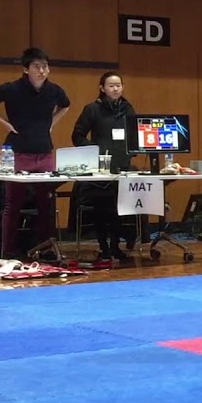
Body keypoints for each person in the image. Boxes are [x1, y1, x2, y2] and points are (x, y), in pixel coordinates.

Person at [0, 48, 72, 259]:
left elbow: (66, 105)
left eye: (45, 66)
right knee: (13, 203)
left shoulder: (53, 90)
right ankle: (8, 249)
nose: (42, 71)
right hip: (18, 153)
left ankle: (45, 248)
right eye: (37, 66)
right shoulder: (12, 89)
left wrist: (50, 124)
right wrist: (5, 123)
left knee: (46, 202)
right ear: (26, 69)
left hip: (45, 152)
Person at [71, 72, 137, 261]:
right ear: (102, 88)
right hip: (100, 168)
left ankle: (117, 246)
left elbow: (134, 135)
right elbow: (77, 136)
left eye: (119, 85)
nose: (116, 89)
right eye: (111, 86)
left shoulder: (128, 109)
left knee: (120, 208)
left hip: (122, 166)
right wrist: (94, 150)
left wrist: (132, 150)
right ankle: (103, 246)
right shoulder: (92, 109)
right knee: (102, 207)